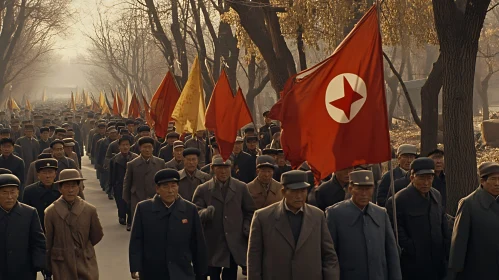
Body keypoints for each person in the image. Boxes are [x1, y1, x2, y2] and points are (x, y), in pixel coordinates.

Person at [247, 170, 340, 280]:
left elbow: (329, 255)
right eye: (294, 191)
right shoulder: (263, 217)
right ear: (283, 192)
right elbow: (254, 258)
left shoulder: (317, 216)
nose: (299, 196)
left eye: (303, 191)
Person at [129, 169, 208, 279]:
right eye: (165, 186)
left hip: (182, 270)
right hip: (152, 271)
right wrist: (135, 267)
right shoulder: (143, 209)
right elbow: (136, 240)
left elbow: (197, 243)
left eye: (173, 186)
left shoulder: (190, 209)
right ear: (157, 189)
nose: (170, 190)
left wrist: (201, 271)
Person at [326, 170, 401, 280]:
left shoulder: (381, 213)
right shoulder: (335, 214)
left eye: (368, 189)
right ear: (350, 189)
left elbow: (392, 253)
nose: (364, 194)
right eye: (360, 189)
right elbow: (330, 256)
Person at [386, 157, 450, 280]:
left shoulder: (436, 195)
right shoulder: (399, 200)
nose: (426, 183)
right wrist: (411, 248)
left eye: (429, 178)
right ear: (412, 177)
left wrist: (446, 247)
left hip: (437, 260)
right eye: (421, 178)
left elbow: (442, 222)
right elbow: (395, 229)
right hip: (413, 263)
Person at [192, 156, 255, 280]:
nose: (223, 171)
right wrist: (206, 212)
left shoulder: (241, 187)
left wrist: (246, 226)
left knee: (231, 275)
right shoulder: (203, 189)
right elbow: (195, 213)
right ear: (212, 168)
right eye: (219, 167)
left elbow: (250, 211)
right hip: (212, 242)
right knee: (213, 274)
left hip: (233, 242)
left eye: (226, 167)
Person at [44, 169, 104, 280]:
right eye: (66, 186)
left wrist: (83, 247)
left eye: (73, 186)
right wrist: (48, 267)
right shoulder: (51, 212)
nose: (70, 190)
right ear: (60, 189)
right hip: (61, 263)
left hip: (85, 261)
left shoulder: (89, 210)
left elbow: (97, 235)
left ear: (78, 188)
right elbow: (49, 241)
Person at [447, 162, 499, 279]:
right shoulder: (469, 204)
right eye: (493, 179)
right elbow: (460, 240)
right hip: (479, 268)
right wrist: (455, 270)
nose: (497, 184)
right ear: (482, 181)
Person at [0, 173, 46, 280]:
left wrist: (38, 264)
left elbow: (39, 241)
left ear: (18, 192)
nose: (9, 197)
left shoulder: (29, 213)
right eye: (4, 193)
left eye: (13, 192)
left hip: (24, 270)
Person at [123, 136, 166, 220]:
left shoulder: (160, 163)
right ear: (139, 148)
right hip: (137, 197)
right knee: (138, 222)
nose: (147, 150)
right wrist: (127, 199)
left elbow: (164, 181)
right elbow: (127, 182)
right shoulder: (132, 164)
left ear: (153, 148)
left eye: (149, 147)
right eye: (144, 147)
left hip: (156, 197)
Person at [22, 158, 60, 230]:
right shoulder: (29, 191)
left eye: (50, 172)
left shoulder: (61, 190)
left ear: (55, 174)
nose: (47, 176)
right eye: (44, 172)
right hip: (38, 229)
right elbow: (25, 215)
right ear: (38, 175)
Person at [109, 136, 138, 230]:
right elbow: (112, 174)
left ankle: (130, 221)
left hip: (132, 185)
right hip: (119, 185)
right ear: (119, 147)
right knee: (120, 203)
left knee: (130, 203)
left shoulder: (135, 158)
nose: (125, 147)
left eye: (127, 145)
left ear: (130, 146)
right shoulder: (114, 159)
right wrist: (111, 187)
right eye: (123, 145)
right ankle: (121, 216)